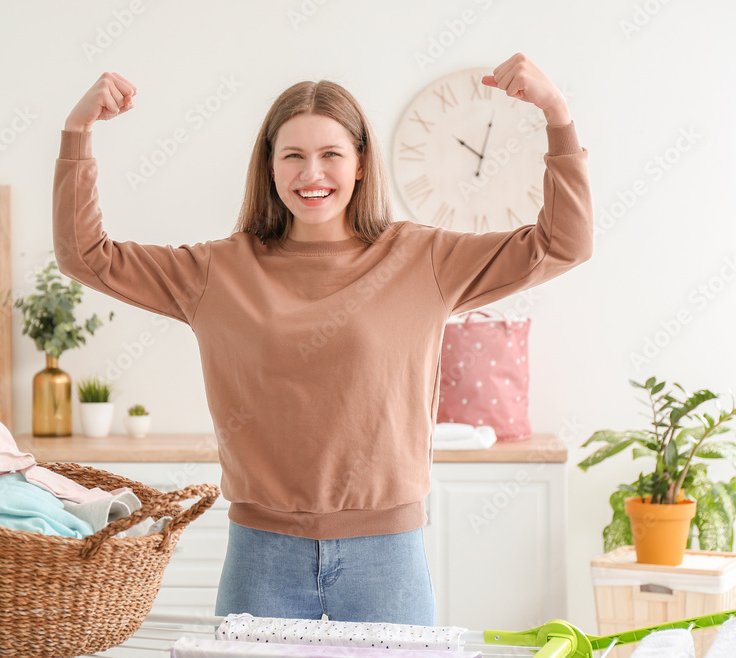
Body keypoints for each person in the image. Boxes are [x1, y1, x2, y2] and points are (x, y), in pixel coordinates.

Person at [54, 53, 592, 625]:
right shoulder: (218, 271)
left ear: (360, 164)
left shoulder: (422, 260)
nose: (312, 174)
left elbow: (563, 244)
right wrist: (76, 133)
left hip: (387, 558)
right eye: (293, 156)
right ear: (270, 168)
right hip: (261, 556)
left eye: (331, 154)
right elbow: (86, 255)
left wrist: (557, 115)